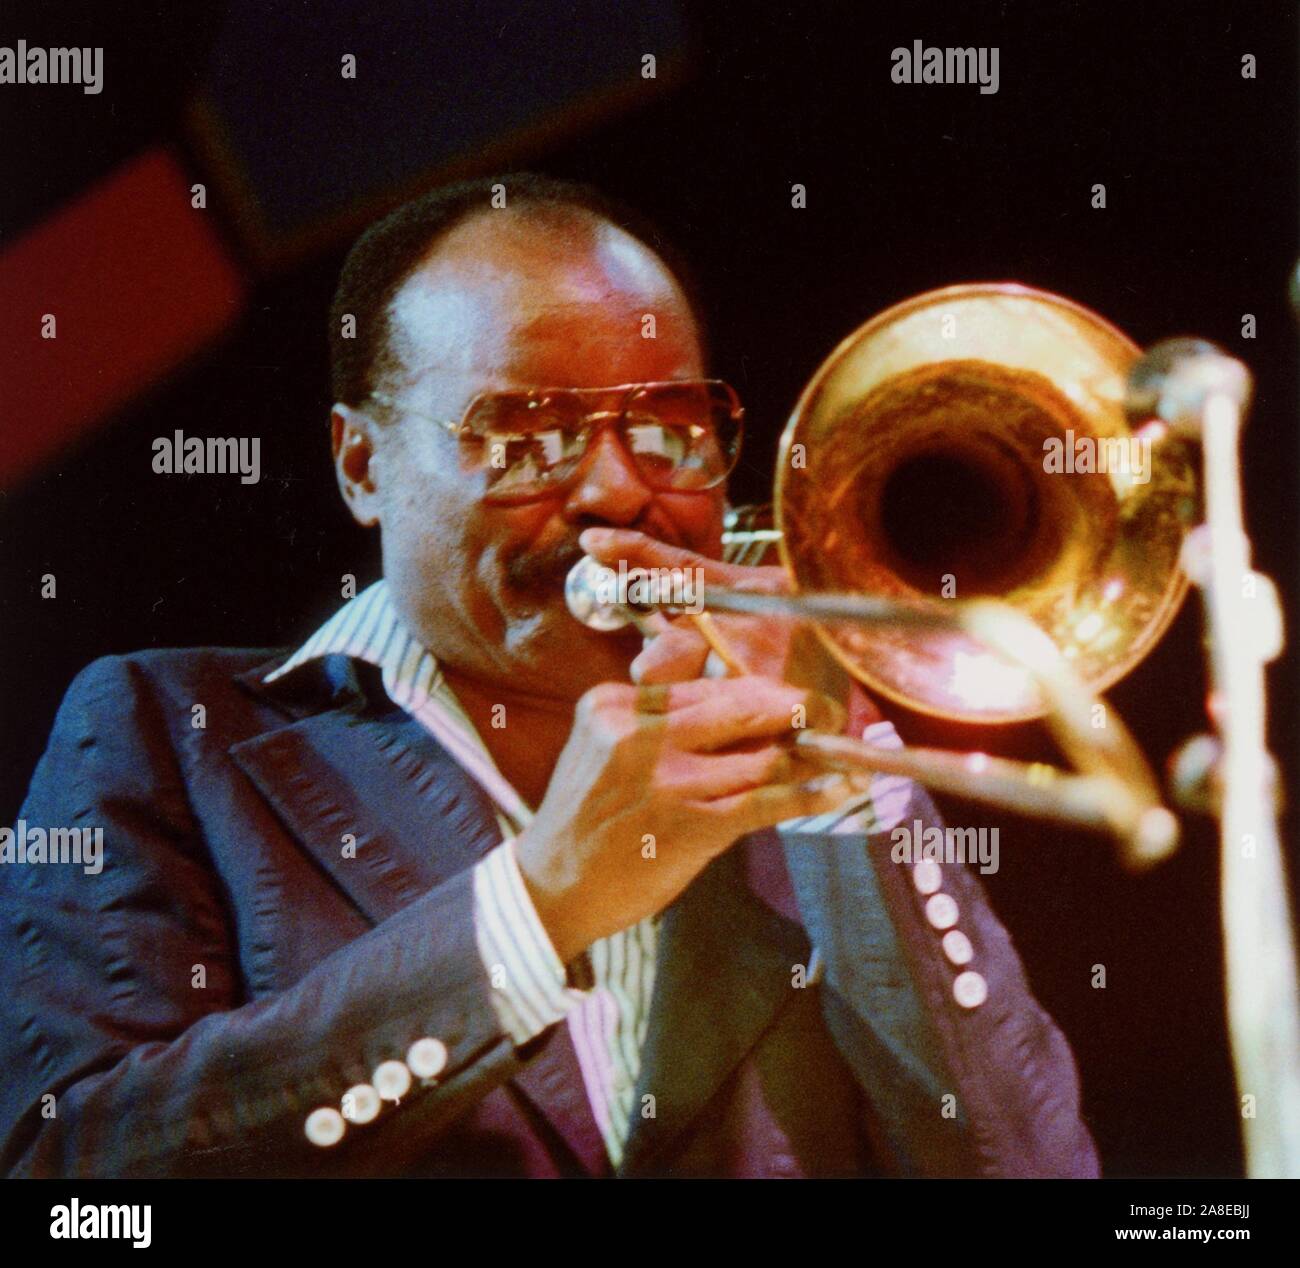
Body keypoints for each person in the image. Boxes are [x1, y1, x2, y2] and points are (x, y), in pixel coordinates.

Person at [0, 174, 1099, 1178]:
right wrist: (536, 904)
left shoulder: (809, 775)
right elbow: (67, 1176)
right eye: (526, 434)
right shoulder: (165, 730)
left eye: (669, 427)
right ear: (363, 465)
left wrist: (862, 789)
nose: (618, 492)